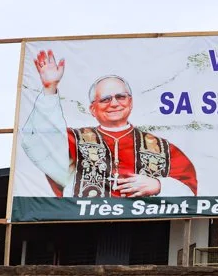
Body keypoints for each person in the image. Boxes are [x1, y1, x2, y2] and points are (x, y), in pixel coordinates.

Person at [20, 49, 197, 198]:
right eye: (105, 99)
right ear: (92, 109)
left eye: (120, 97)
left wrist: (159, 186)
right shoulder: (74, 139)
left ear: (131, 102)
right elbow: (38, 142)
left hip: (147, 228)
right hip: (86, 224)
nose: (114, 103)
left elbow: (189, 190)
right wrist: (50, 89)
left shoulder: (162, 147)